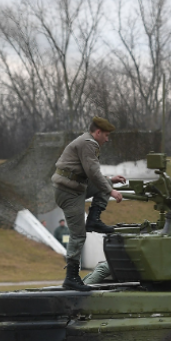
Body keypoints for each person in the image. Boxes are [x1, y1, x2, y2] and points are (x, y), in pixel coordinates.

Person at [51, 117, 126, 291]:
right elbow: (92, 171)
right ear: (98, 132)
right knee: (78, 236)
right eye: (106, 135)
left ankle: (94, 220)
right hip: (69, 193)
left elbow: (89, 172)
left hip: (76, 188)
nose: (107, 139)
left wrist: (110, 181)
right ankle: (71, 277)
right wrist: (111, 191)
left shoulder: (88, 141)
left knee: (107, 184)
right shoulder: (88, 143)